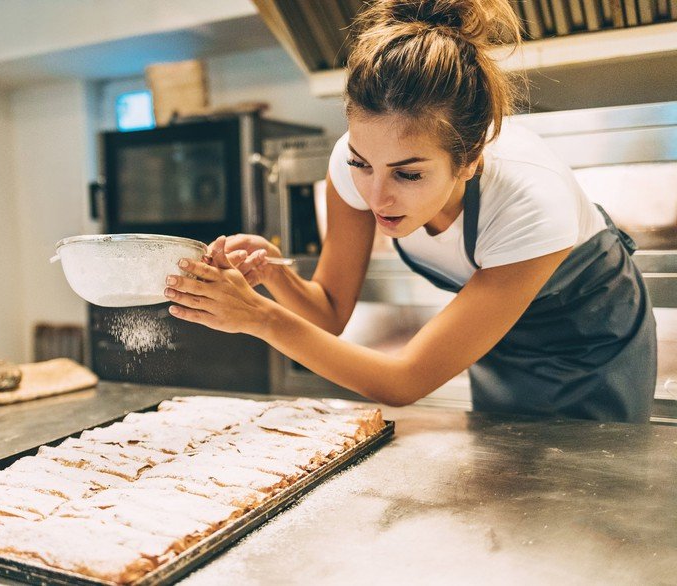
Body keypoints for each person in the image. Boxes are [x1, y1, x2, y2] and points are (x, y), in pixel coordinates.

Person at [163, 0, 656, 423]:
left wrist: (257, 318)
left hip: (591, 345)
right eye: (362, 164)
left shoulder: (530, 201)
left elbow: (404, 382)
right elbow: (329, 312)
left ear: (469, 160)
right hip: (499, 344)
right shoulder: (351, 167)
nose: (377, 197)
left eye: (409, 174)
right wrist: (276, 275)